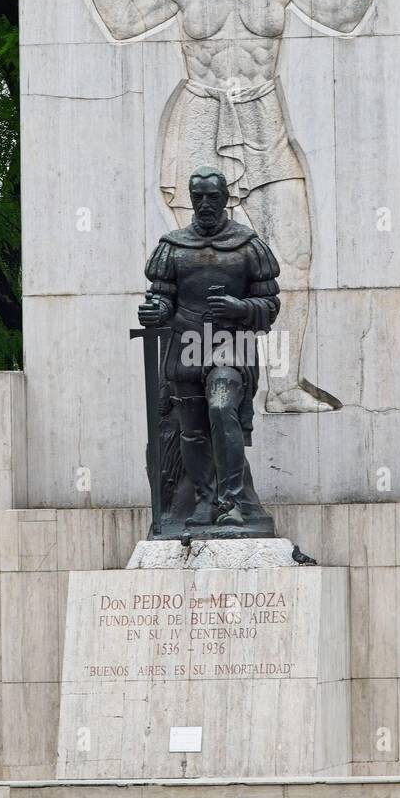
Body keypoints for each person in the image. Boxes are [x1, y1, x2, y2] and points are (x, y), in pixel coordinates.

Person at [53, 0, 400, 412]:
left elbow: (343, 12)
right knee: (200, 261)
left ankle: (283, 384)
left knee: (293, 257)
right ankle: (199, 385)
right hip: (200, 120)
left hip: (264, 120)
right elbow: (125, 20)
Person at [138, 165, 280, 530]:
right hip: (185, 347)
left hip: (228, 346)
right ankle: (203, 500)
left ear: (225, 199)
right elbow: (162, 299)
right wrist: (155, 311)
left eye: (212, 197)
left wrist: (240, 308)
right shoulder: (172, 247)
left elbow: (270, 306)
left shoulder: (248, 246)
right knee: (192, 429)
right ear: (189, 198)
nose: (204, 204)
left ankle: (231, 503)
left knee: (220, 407)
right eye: (198, 197)